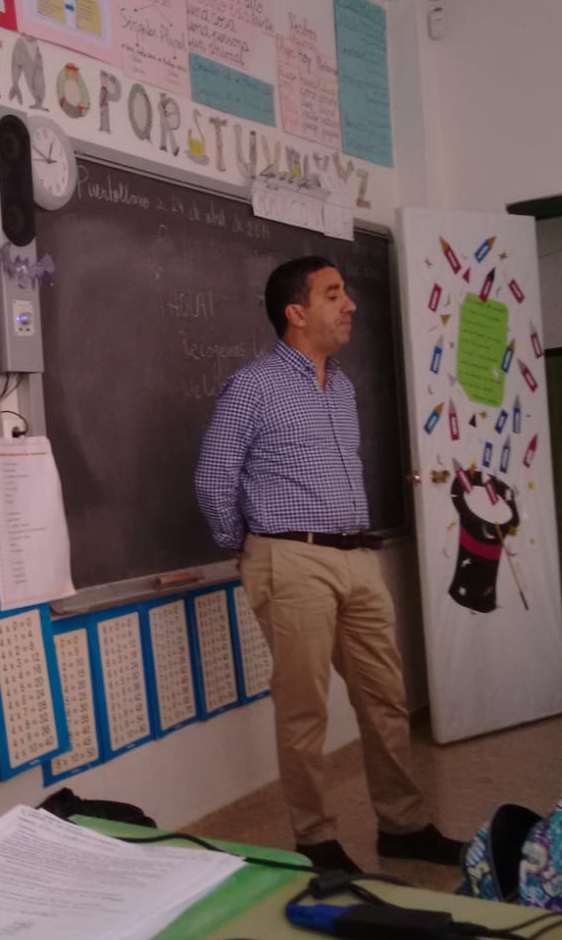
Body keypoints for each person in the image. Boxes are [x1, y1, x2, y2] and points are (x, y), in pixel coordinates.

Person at [194, 255, 462, 873]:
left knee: (385, 697)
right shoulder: (254, 385)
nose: (350, 306)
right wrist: (243, 541)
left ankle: (404, 824)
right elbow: (214, 477)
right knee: (304, 707)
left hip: (357, 555)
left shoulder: (340, 385)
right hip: (290, 557)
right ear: (297, 312)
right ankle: (315, 839)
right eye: (334, 294)